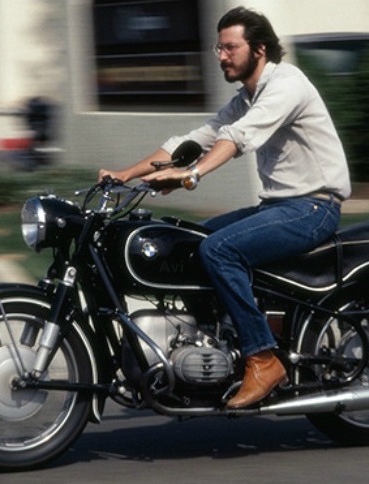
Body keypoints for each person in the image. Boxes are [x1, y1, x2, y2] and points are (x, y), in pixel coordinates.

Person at [98, 6, 351, 408]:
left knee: (220, 249)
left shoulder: (287, 84)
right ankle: (214, 348)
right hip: (278, 206)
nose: (221, 56)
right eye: (219, 48)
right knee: (191, 241)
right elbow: (195, 139)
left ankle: (262, 358)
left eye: (230, 47)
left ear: (260, 49)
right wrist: (125, 174)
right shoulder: (246, 97)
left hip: (313, 208)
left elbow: (237, 138)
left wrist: (191, 175)